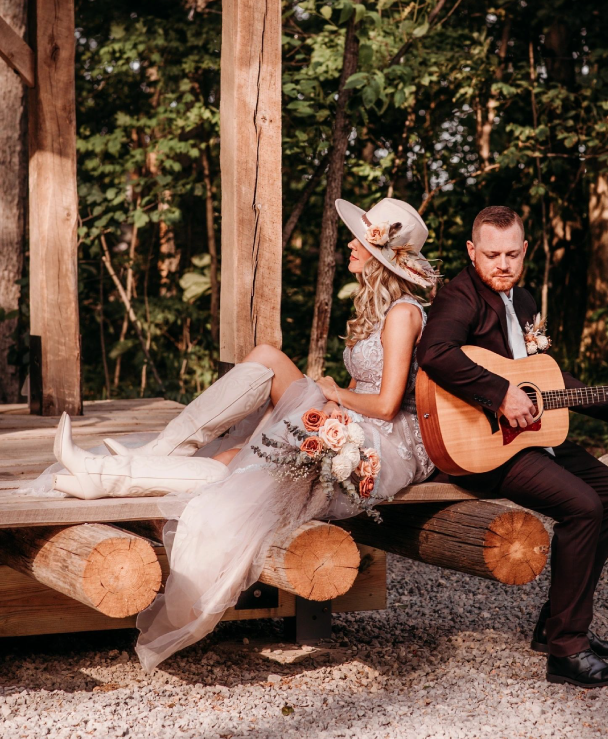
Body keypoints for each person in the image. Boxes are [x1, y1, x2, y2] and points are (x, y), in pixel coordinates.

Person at [44, 197, 444, 669]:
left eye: (360, 238)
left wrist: (332, 394)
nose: (351, 245)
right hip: (358, 417)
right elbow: (363, 387)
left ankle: (107, 474)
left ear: (381, 255)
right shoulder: (377, 308)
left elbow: (386, 403)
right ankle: (153, 452)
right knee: (267, 358)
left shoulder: (403, 314)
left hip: (387, 442)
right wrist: (333, 397)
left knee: (248, 459)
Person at [415, 205, 608, 689]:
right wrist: (499, 393)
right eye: (491, 255)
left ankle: (555, 626)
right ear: (471, 252)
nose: (502, 265)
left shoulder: (524, 300)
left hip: (529, 437)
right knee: (583, 506)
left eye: (511, 254)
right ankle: (567, 651)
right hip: (480, 446)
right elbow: (435, 354)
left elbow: (543, 378)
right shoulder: (459, 298)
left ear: (525, 250)